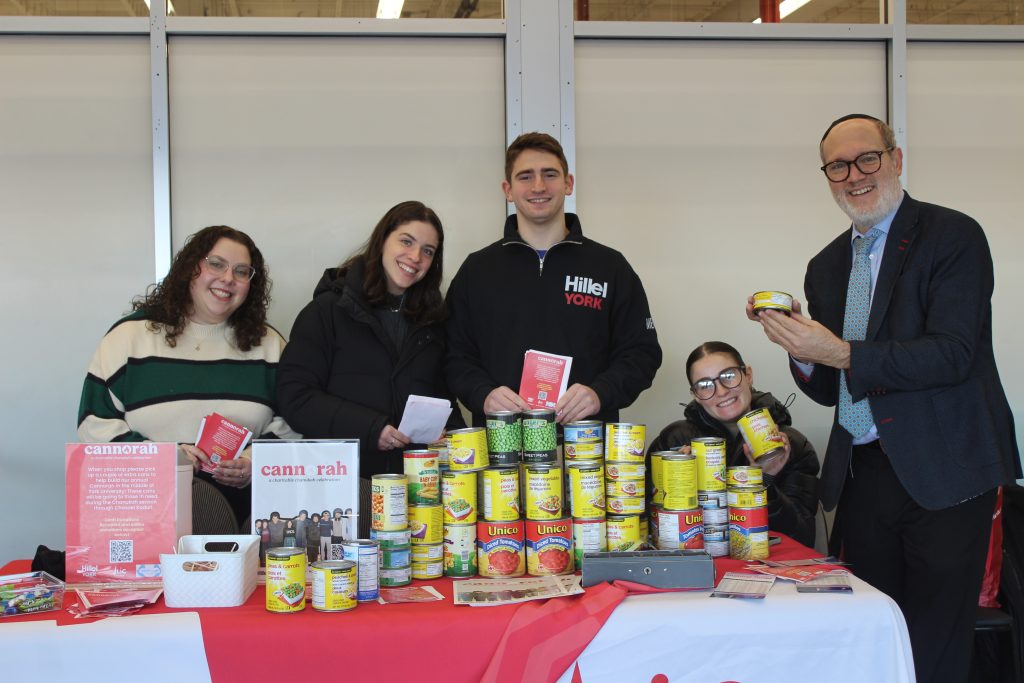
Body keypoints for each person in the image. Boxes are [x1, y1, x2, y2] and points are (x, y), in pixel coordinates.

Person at [749, 113, 1020, 683]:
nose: (854, 175)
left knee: (935, 642)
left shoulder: (952, 235)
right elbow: (833, 389)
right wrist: (802, 349)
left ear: (896, 159)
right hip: (864, 472)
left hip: (946, 470)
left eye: (866, 158)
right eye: (837, 166)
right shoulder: (826, 265)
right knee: (872, 632)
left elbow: (952, 353)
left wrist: (840, 351)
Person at [77, 225, 300, 528]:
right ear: (190, 268)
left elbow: (293, 426)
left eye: (241, 271)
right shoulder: (129, 337)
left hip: (246, 519)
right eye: (216, 264)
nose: (228, 278)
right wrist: (165, 459)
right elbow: (94, 425)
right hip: (148, 515)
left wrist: (253, 462)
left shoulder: (270, 345)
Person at [445, 132, 662, 426]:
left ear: (568, 183)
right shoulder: (476, 271)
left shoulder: (610, 267)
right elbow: (453, 355)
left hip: (586, 441)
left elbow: (642, 353)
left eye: (549, 174)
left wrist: (599, 393)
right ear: (508, 190)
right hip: (502, 442)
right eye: (525, 176)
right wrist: (483, 394)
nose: (538, 186)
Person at [277, 201, 463, 484]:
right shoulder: (326, 311)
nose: (415, 257)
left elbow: (443, 399)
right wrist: (371, 429)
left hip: (417, 486)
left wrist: (451, 436)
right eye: (406, 241)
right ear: (382, 240)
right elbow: (295, 398)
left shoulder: (432, 322)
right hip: (342, 484)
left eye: (428, 251)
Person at [648, 341, 819, 547]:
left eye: (728, 376)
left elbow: (801, 537)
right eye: (704, 385)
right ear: (695, 395)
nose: (721, 391)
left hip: (761, 562)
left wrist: (763, 480)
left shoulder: (791, 444)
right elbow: (647, 528)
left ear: (748, 375)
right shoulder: (674, 440)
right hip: (694, 561)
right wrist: (680, 486)